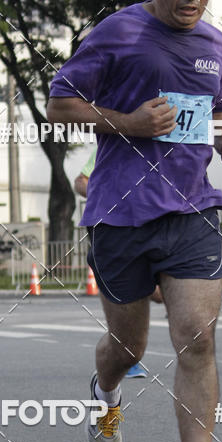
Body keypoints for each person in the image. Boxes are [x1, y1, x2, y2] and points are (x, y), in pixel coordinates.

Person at [48, 0, 222, 442]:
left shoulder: (216, 43)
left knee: (198, 335)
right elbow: (61, 103)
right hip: (120, 214)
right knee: (127, 347)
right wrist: (127, 122)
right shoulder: (119, 31)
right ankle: (105, 393)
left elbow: (217, 117)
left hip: (191, 208)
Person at [74, 149, 147, 378]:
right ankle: (126, 355)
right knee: (129, 294)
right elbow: (80, 181)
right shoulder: (110, 145)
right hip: (113, 230)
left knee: (156, 291)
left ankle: (127, 351)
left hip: (151, 228)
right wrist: (107, 193)